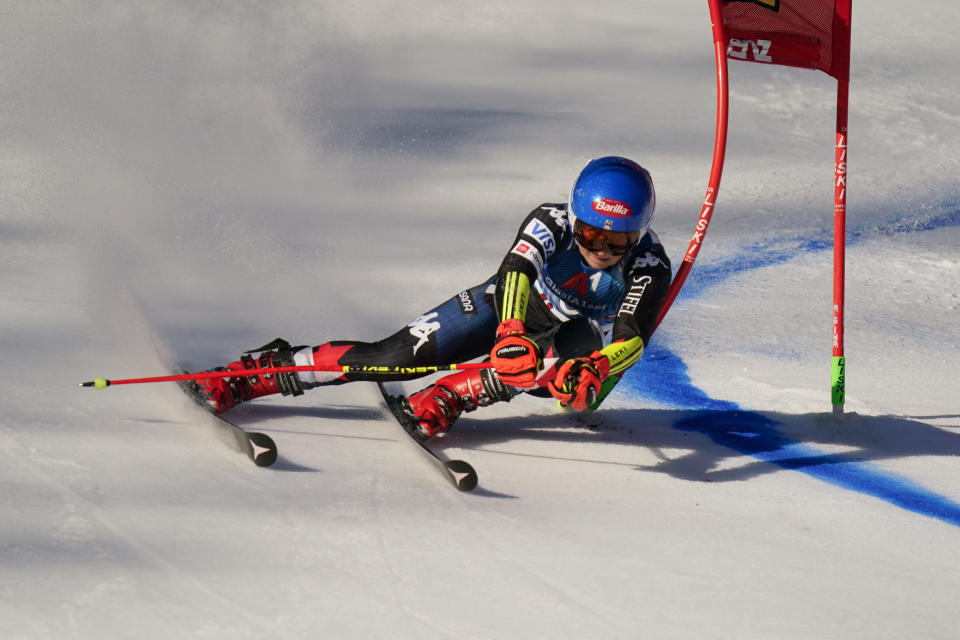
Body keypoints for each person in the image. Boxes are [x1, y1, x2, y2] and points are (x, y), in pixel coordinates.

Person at [194, 156, 672, 439]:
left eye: (619, 240)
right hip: (502, 307)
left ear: (641, 233)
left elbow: (632, 335)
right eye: (591, 232)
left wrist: (602, 367)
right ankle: (257, 374)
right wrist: (508, 332)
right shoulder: (551, 220)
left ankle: (451, 394)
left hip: (570, 346)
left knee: (576, 352)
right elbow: (516, 271)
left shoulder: (649, 263)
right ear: (575, 215)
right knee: (393, 358)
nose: (601, 248)